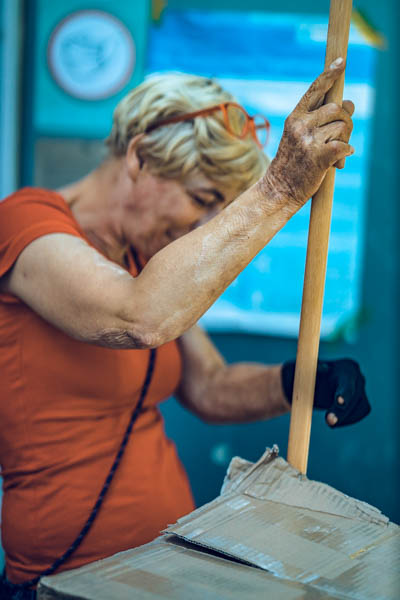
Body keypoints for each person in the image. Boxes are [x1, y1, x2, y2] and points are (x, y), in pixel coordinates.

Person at [0, 58, 370, 598]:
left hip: (162, 569)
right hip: (64, 582)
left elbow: (210, 386)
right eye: (201, 200)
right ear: (139, 156)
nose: (200, 227)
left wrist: (303, 381)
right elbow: (137, 316)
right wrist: (280, 189)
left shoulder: (139, 254)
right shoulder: (23, 223)